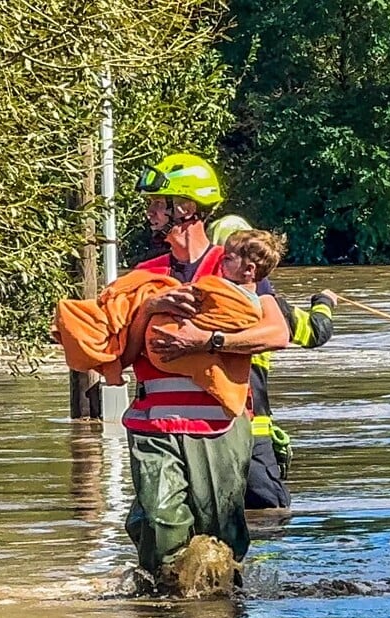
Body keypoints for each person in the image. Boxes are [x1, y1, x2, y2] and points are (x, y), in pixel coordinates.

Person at [117, 153, 290, 590]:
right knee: (159, 522)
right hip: (152, 419)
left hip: (218, 425)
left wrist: (206, 342)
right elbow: (122, 354)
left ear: (188, 209)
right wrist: (150, 309)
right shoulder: (144, 274)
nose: (151, 212)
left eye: (161, 203)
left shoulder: (234, 268)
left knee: (220, 541)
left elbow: (276, 332)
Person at [208, 216, 338, 510]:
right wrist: (324, 301)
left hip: (203, 430)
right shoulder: (272, 309)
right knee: (271, 511)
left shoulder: (196, 298)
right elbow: (317, 331)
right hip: (253, 431)